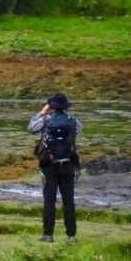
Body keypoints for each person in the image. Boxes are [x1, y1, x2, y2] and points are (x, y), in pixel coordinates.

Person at [27, 92, 82, 242]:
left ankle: (47, 234)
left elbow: (31, 128)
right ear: (66, 107)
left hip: (49, 165)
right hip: (68, 164)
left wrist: (41, 113)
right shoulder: (74, 121)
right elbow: (77, 132)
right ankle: (71, 235)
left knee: (49, 200)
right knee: (68, 201)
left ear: (51, 107)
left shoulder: (45, 121)